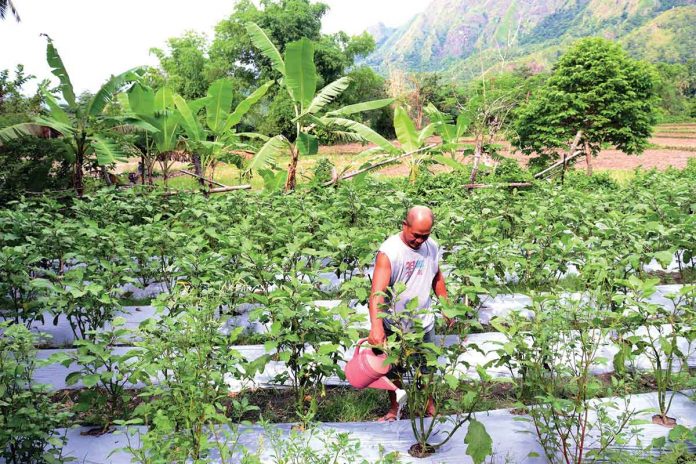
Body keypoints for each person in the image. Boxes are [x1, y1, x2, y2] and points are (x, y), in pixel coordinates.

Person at [368, 205, 450, 422]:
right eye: (416, 235)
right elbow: (377, 293)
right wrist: (376, 327)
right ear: (405, 225)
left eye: (425, 236)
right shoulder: (389, 253)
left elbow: (437, 276)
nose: (420, 241)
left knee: (427, 368)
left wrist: (446, 305)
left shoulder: (431, 246)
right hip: (395, 325)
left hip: (423, 322)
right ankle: (395, 409)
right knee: (393, 370)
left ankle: (429, 406)